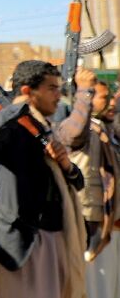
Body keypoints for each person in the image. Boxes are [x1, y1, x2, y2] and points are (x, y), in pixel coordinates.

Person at [0, 60, 86, 298]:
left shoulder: (43, 127)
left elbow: (77, 182)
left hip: (54, 236)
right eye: (51, 88)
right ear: (28, 91)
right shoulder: (12, 126)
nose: (59, 95)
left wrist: (65, 164)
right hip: (21, 242)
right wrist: (17, 105)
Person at [61, 79, 117, 297]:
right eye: (105, 97)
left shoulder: (103, 128)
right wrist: (84, 93)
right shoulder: (81, 130)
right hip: (89, 224)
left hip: (107, 225)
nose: (111, 102)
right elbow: (73, 135)